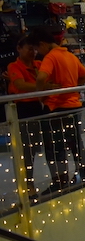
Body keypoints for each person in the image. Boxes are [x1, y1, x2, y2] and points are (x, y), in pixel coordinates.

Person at [29, 26, 85, 195]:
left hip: (56, 107)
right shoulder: (69, 55)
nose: (37, 52)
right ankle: (82, 175)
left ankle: (60, 181)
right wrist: (73, 88)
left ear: (42, 44)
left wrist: (42, 93)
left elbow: (41, 77)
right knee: (76, 143)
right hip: (75, 106)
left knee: (55, 147)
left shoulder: (51, 57)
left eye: (36, 48)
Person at [6, 36, 45, 191]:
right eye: (29, 48)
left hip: (38, 107)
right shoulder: (14, 66)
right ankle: (28, 183)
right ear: (19, 48)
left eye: (35, 49)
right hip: (22, 109)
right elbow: (20, 85)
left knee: (35, 147)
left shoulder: (39, 65)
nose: (33, 52)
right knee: (26, 149)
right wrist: (43, 86)